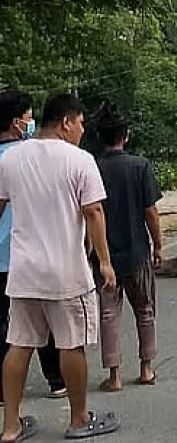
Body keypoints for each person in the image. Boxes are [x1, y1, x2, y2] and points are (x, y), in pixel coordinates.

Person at [0, 93, 120, 441]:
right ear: (66, 121)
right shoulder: (79, 160)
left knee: (19, 344)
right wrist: (106, 262)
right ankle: (79, 418)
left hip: (23, 271)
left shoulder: (11, 160)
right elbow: (94, 212)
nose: (83, 130)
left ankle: (10, 426)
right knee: (71, 344)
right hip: (66, 271)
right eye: (81, 123)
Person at [0, 92, 68, 403]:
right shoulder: (30, 155)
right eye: (29, 117)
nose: (32, 123)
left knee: (6, 327)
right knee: (44, 322)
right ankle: (57, 381)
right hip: (29, 254)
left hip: (3, 260)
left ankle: (4, 391)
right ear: (17, 123)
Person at [91, 102, 162, 392]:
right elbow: (150, 211)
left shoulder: (93, 167)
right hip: (137, 251)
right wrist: (158, 244)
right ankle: (146, 368)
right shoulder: (139, 166)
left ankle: (115, 375)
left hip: (104, 253)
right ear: (126, 135)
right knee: (145, 309)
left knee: (109, 314)